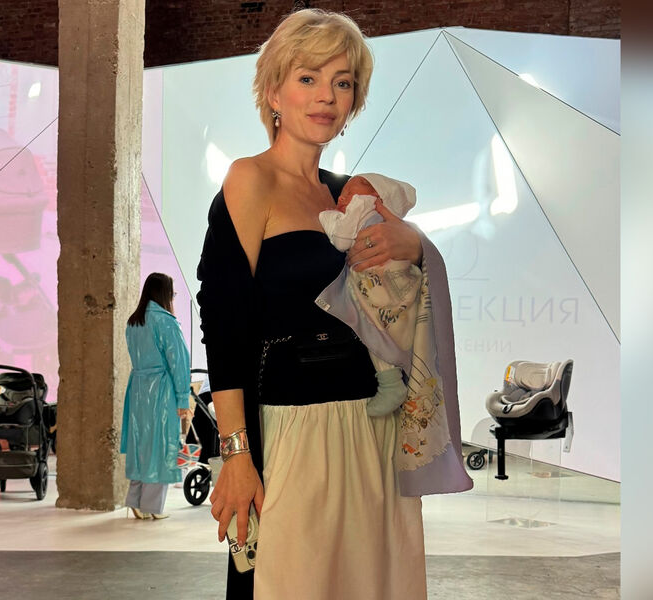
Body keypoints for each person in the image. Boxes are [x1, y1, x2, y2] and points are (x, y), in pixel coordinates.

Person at [196, 9, 472, 599]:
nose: (327, 96)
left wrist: (415, 246)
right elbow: (223, 323)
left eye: (342, 82)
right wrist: (235, 455)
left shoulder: (353, 194)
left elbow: (401, 303)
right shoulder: (250, 180)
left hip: (374, 431)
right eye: (308, 78)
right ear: (274, 92)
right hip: (293, 434)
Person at [319, 173, 421, 417]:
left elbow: (342, 240)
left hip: (380, 279)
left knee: (373, 327)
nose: (342, 197)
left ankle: (391, 381)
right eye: (343, 193)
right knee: (386, 329)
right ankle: (397, 379)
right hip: (391, 283)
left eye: (350, 192)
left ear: (376, 196)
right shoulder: (377, 214)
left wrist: (327, 217)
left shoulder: (363, 206)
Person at [120, 272, 191, 520]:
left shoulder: (134, 322)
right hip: (161, 390)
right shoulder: (166, 322)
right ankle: (151, 506)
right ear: (165, 293)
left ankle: (135, 500)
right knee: (160, 447)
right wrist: (183, 398)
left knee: (140, 445)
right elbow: (179, 362)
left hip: (137, 389)